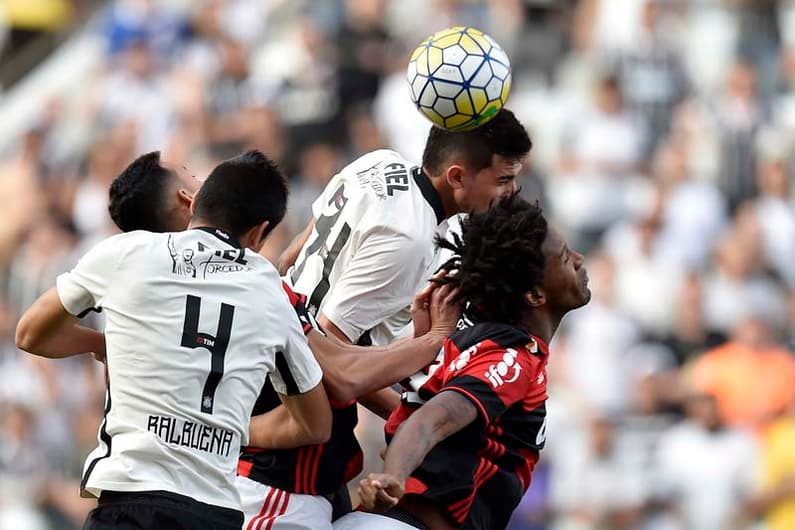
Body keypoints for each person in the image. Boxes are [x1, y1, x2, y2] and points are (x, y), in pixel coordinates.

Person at [104, 150, 463, 530]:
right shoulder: (254, 291)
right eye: (190, 174)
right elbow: (332, 383)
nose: (200, 178)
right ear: (188, 201)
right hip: (276, 485)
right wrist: (432, 349)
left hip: (279, 479)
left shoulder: (151, 299)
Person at [14, 150, 333, 530]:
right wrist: (227, 429)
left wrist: (102, 346)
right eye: (188, 173)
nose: (195, 176)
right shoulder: (268, 288)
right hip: (215, 511)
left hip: (132, 500)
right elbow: (316, 425)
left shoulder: (124, 257)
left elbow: (30, 333)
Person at [335, 194, 592, 530]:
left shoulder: (464, 342)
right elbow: (432, 419)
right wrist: (393, 477)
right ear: (534, 295)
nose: (578, 258)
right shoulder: (512, 357)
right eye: (563, 258)